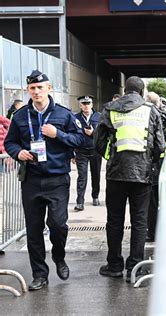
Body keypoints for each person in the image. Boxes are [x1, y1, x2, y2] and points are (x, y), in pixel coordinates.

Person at [4, 70, 85, 290]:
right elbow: (10, 143)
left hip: (57, 179)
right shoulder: (20, 116)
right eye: (32, 88)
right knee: (34, 229)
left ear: (49, 89)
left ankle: (59, 256)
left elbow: (79, 139)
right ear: (28, 90)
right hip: (31, 179)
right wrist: (18, 153)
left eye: (40, 88)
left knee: (58, 225)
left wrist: (57, 134)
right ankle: (40, 274)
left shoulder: (64, 114)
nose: (36, 92)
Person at [94, 76, 166, 282]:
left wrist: (111, 157)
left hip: (116, 174)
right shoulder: (151, 110)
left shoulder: (110, 108)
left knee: (114, 220)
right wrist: (149, 163)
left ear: (125, 91)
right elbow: (160, 146)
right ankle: (135, 266)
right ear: (142, 92)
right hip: (142, 175)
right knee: (139, 221)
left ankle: (114, 265)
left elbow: (98, 142)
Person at [144, 91, 166, 242]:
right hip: (162, 162)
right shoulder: (163, 116)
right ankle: (157, 229)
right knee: (159, 199)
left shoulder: (149, 115)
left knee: (151, 201)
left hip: (152, 163)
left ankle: (152, 231)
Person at [73, 95, 102, 211]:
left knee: (96, 175)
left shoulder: (99, 116)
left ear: (92, 105)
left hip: (95, 150)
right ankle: (80, 201)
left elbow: (102, 133)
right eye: (84, 104)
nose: (86, 106)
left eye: (88, 103)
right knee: (82, 176)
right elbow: (73, 134)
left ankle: (95, 196)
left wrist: (93, 133)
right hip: (81, 151)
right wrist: (72, 152)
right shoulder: (75, 118)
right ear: (80, 105)